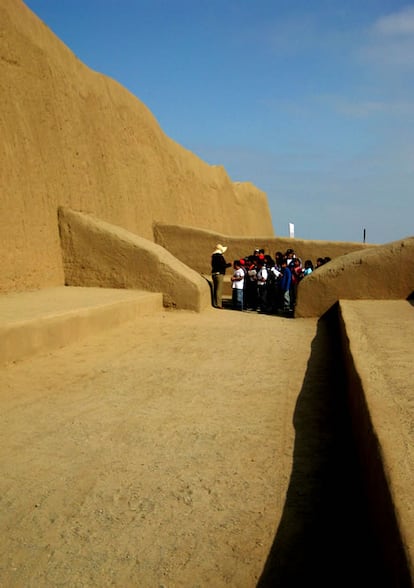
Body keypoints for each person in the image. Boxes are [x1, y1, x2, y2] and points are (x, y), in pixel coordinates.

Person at [211, 243, 231, 309]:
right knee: (219, 290)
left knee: (215, 289)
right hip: (219, 274)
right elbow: (222, 265)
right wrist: (229, 264)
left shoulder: (213, 256)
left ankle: (214, 303)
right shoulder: (220, 257)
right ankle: (218, 304)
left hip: (214, 273)